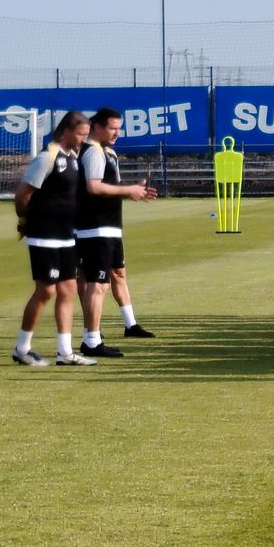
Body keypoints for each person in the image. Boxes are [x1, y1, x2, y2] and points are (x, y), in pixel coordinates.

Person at [12, 110, 97, 367]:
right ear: (66, 131)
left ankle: (65, 352)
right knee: (46, 290)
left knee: (68, 289)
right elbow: (23, 193)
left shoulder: (73, 158)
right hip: (44, 235)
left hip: (66, 236)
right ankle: (22, 348)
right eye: (81, 134)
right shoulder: (47, 157)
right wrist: (25, 220)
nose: (83, 140)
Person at [75, 107, 157, 359]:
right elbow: (93, 187)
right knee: (97, 284)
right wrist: (128, 190)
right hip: (95, 227)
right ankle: (91, 339)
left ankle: (127, 325)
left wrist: (134, 190)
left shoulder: (107, 152)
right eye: (112, 128)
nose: (117, 133)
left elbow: (110, 186)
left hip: (108, 226)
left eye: (119, 128)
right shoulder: (92, 151)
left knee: (114, 275)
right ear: (97, 127)